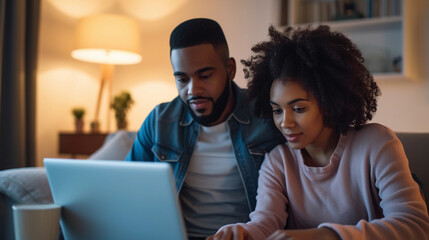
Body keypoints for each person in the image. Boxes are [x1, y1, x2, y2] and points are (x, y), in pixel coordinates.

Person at [208, 25, 429, 240]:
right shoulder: (278, 162)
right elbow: (264, 223)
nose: (286, 122)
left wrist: (327, 235)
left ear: (330, 101)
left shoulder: (377, 143)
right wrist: (240, 232)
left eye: (298, 109)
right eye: (277, 110)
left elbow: (415, 225)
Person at [125, 18, 284, 239]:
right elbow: (126, 188)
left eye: (205, 76)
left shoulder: (267, 115)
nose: (193, 90)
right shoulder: (160, 121)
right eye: (182, 79)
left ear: (230, 69)